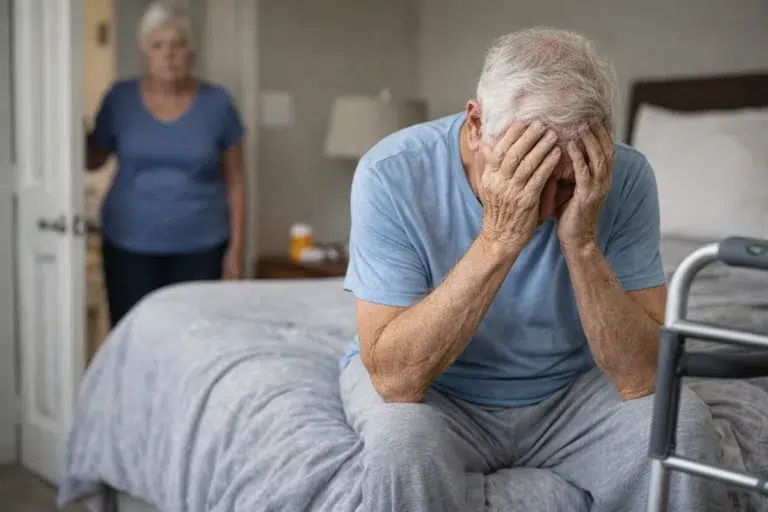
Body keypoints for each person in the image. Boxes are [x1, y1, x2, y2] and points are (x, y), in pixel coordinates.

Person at [340, 28, 728, 511]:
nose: (542, 207)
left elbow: (643, 378)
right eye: (524, 176)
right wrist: (499, 238)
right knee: (402, 442)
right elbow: (396, 381)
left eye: (564, 184)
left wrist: (582, 243)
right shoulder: (390, 172)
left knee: (682, 428)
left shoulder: (626, 176)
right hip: (440, 393)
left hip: (571, 393)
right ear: (476, 124)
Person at [86, 1, 246, 326]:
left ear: (192, 51)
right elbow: (93, 160)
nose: (169, 54)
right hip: (128, 243)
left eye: (178, 45)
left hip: (201, 246)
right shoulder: (119, 99)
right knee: (133, 331)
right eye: (158, 46)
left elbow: (237, 181)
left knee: (194, 334)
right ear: (145, 52)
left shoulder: (218, 104)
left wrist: (236, 252)